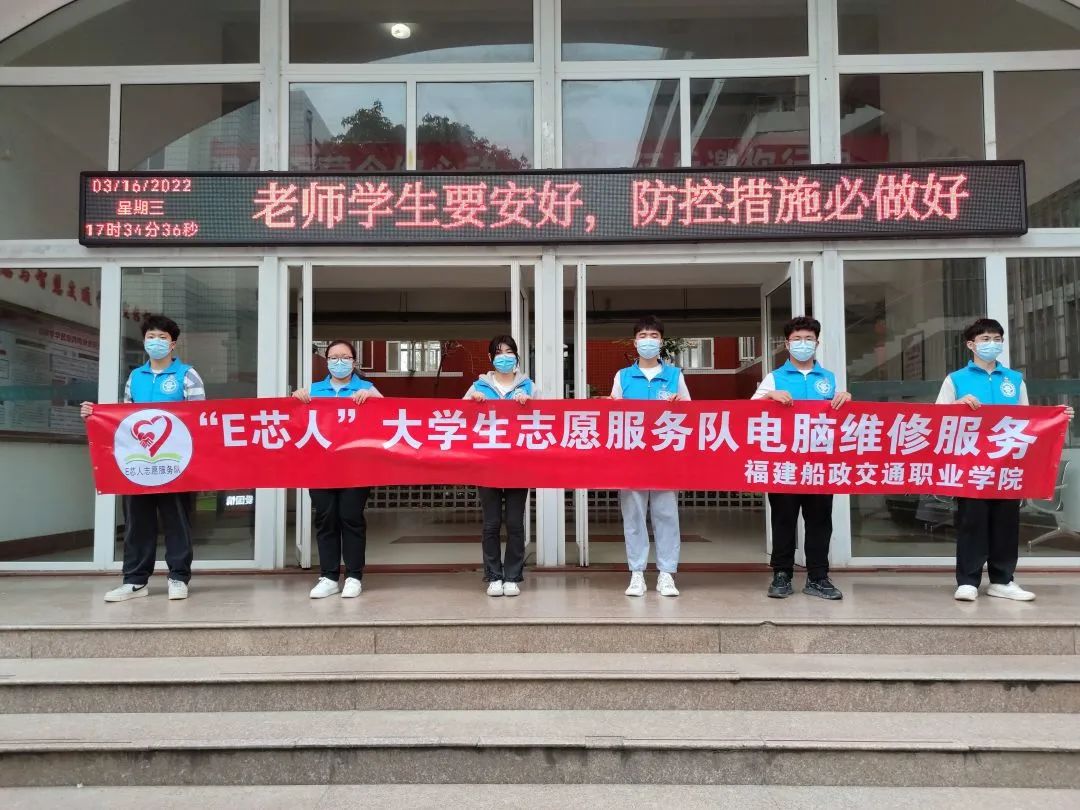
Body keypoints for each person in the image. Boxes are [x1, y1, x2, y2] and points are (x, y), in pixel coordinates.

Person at [937, 317, 1074, 602]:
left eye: (997, 339)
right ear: (971, 345)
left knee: (1006, 523)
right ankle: (968, 581)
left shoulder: (1014, 379)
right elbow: (936, 418)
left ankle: (1002, 580)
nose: (992, 344)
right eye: (985, 339)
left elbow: (1028, 420)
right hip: (971, 465)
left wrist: (1057, 417)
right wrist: (957, 405)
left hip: (1007, 464)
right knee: (972, 522)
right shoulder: (956, 379)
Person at [81, 315, 205, 603]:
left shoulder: (187, 375)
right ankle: (135, 581)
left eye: (162, 337)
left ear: (173, 344)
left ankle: (178, 577)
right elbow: (124, 418)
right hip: (138, 463)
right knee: (138, 523)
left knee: (177, 521)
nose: (156, 342)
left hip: (176, 463)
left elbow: (199, 418)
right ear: (144, 341)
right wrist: (94, 415)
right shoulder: (135, 377)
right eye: (151, 337)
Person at [753, 316, 852, 601]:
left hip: (820, 464)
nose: (803, 344)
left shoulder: (829, 378)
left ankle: (818, 577)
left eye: (808, 339)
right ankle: (781, 574)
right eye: (797, 339)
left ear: (817, 343)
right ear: (787, 344)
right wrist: (769, 396)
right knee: (783, 520)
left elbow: (840, 417)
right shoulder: (774, 377)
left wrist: (846, 398)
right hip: (783, 464)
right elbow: (748, 413)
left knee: (820, 521)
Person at [293, 340, 383, 599]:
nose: (339, 362)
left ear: (354, 362)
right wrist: (295, 400)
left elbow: (389, 417)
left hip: (356, 467)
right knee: (326, 519)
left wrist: (373, 400)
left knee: (351, 518)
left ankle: (354, 576)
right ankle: (329, 576)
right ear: (327, 361)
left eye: (345, 357)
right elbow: (295, 424)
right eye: (334, 357)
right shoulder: (313, 390)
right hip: (321, 468)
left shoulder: (367, 388)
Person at [609, 315, 690, 598]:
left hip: (665, 458)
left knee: (666, 515)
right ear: (635, 342)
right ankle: (637, 573)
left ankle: (667, 573)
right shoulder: (622, 376)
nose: (648, 341)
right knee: (633, 517)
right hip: (631, 457)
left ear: (661, 342)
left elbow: (692, 415)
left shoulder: (675, 376)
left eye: (653, 336)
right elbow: (613, 414)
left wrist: (680, 405)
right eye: (643, 336)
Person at [464, 335, 537, 597]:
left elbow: (543, 422)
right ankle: (494, 575)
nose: (504, 357)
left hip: (518, 464)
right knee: (491, 523)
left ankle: (513, 576)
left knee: (515, 523)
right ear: (490, 358)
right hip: (487, 464)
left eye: (509, 352)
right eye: (498, 352)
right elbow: (459, 421)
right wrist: (471, 404)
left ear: (516, 356)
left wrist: (529, 405)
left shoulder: (529, 386)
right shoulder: (477, 387)